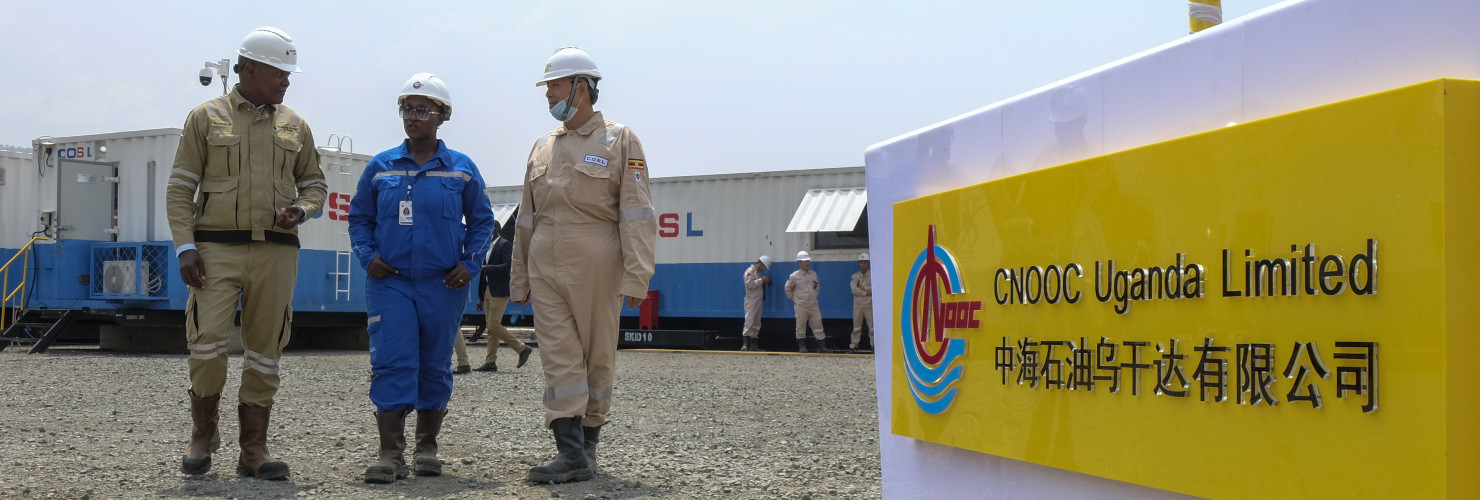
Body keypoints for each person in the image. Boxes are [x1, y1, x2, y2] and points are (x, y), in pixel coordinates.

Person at [166, 26, 324, 480]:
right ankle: (202, 435)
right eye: (280, 71)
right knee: (207, 343)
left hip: (276, 254)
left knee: (265, 350)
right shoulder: (205, 117)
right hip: (215, 251)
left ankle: (254, 450)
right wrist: (186, 246)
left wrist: (303, 208)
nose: (287, 81)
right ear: (249, 68)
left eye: (289, 73)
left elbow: (314, 182)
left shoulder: (295, 125)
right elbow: (180, 189)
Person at [511, 46, 656, 484]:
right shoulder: (541, 147)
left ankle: (588, 443)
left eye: (553, 84)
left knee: (596, 355)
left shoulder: (619, 139)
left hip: (597, 258)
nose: (548, 94)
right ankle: (570, 452)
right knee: (558, 356)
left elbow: (637, 210)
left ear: (581, 87)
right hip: (545, 262)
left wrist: (637, 273)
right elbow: (525, 218)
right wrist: (519, 276)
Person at [348, 73, 495, 484]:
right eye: (407, 109)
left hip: (443, 284)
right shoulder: (380, 167)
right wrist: (368, 256)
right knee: (392, 359)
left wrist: (471, 263)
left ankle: (427, 447)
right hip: (390, 282)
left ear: (442, 116)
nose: (412, 117)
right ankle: (389, 453)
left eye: (422, 110)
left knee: (434, 364)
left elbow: (483, 222)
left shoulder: (462, 170)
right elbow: (359, 218)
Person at [453, 220, 535, 373]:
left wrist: (486, 267)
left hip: (500, 291)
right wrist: (481, 298)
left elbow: (507, 266)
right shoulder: (488, 247)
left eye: (488, 228)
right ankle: (490, 362)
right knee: (491, 329)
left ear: (496, 229)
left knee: (494, 325)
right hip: (489, 290)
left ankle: (522, 348)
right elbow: (484, 276)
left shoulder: (504, 244)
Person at [786, 251, 831, 353]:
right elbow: (787, 288)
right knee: (801, 325)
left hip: (813, 305)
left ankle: (822, 346)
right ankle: (802, 346)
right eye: (804, 261)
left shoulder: (813, 274)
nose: (807, 263)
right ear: (799, 263)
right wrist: (795, 299)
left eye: (808, 260)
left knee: (818, 324)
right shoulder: (794, 276)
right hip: (801, 305)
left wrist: (813, 297)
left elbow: (817, 288)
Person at [740, 255, 773, 351]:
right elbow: (750, 284)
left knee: (756, 323)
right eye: (764, 267)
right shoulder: (749, 271)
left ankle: (754, 345)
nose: (764, 269)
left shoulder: (757, 273)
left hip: (758, 301)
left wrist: (762, 280)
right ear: (760, 264)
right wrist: (762, 280)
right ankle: (745, 344)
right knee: (749, 321)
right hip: (751, 301)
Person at [849, 252, 874, 351]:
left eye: (865, 262)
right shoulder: (855, 276)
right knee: (856, 328)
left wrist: (861, 289)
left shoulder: (873, 275)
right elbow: (854, 290)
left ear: (868, 263)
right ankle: (854, 345)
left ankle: (874, 345)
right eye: (861, 262)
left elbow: (875, 290)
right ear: (858, 264)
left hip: (869, 305)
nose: (863, 264)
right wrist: (866, 292)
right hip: (858, 306)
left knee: (872, 328)